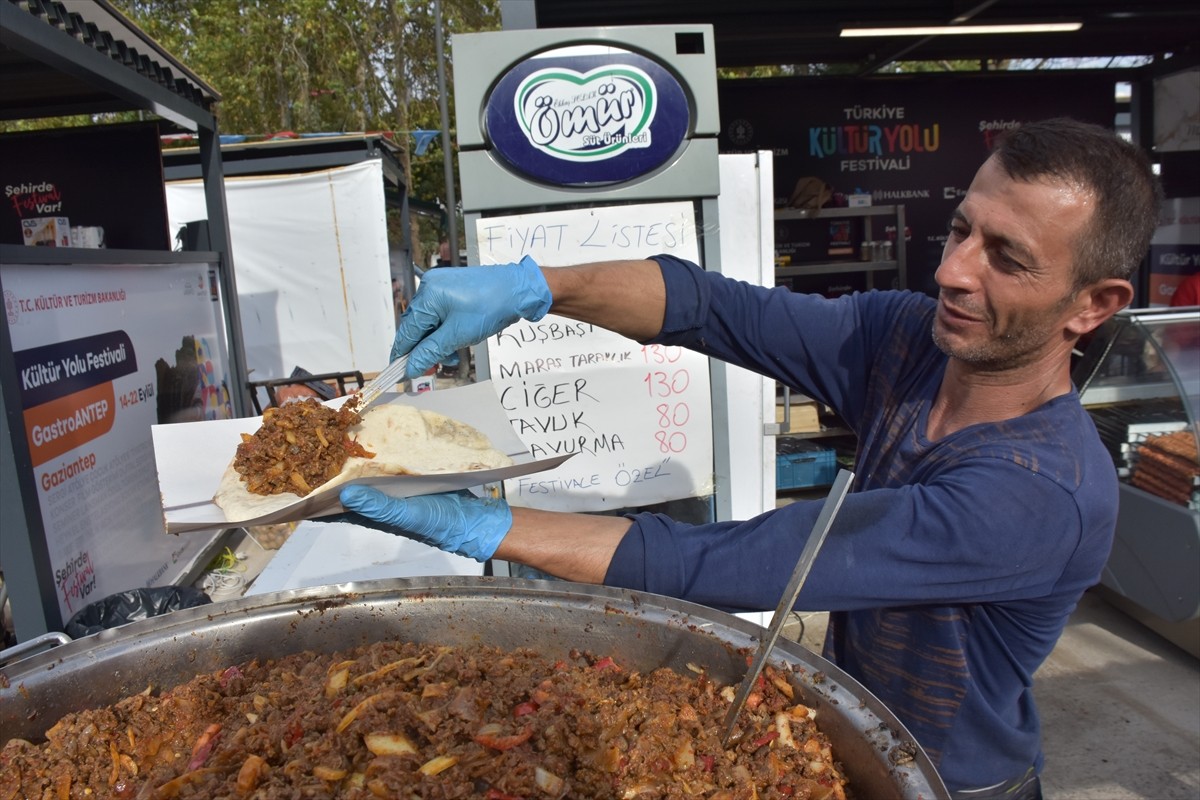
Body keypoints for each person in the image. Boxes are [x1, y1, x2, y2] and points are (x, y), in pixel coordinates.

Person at [332, 118, 1162, 798]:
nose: (951, 269)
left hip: (961, 784)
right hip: (856, 722)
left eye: (1005, 257)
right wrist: (535, 286)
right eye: (960, 230)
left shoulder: (1042, 490)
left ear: (1094, 305)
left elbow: (739, 561)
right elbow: (710, 308)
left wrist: (480, 524)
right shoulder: (908, 341)